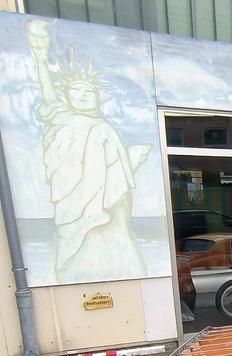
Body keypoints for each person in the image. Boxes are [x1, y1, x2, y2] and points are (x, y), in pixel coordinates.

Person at [27, 20, 151, 283]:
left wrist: (131, 161)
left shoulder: (104, 128)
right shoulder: (66, 120)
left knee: (117, 237)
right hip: (74, 198)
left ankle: (99, 212)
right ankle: (90, 217)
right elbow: (49, 97)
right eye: (76, 91)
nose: (83, 96)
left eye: (88, 92)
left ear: (97, 96)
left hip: (110, 202)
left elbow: (117, 169)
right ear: (67, 96)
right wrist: (40, 59)